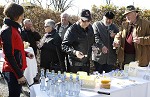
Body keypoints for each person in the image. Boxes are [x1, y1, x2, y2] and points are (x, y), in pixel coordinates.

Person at [0, 3, 33, 97]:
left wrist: (26, 53)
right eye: (22, 14)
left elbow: (15, 48)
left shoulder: (14, 28)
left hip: (16, 69)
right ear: (16, 16)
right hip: (12, 71)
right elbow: (8, 55)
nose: (23, 17)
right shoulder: (7, 30)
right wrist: (19, 75)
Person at [62, 9, 95, 74]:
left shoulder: (90, 28)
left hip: (86, 62)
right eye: (84, 20)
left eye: (88, 20)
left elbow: (92, 41)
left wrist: (94, 47)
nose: (86, 23)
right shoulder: (72, 30)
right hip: (74, 63)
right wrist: (75, 52)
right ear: (79, 19)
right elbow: (64, 46)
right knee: (74, 83)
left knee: (86, 82)